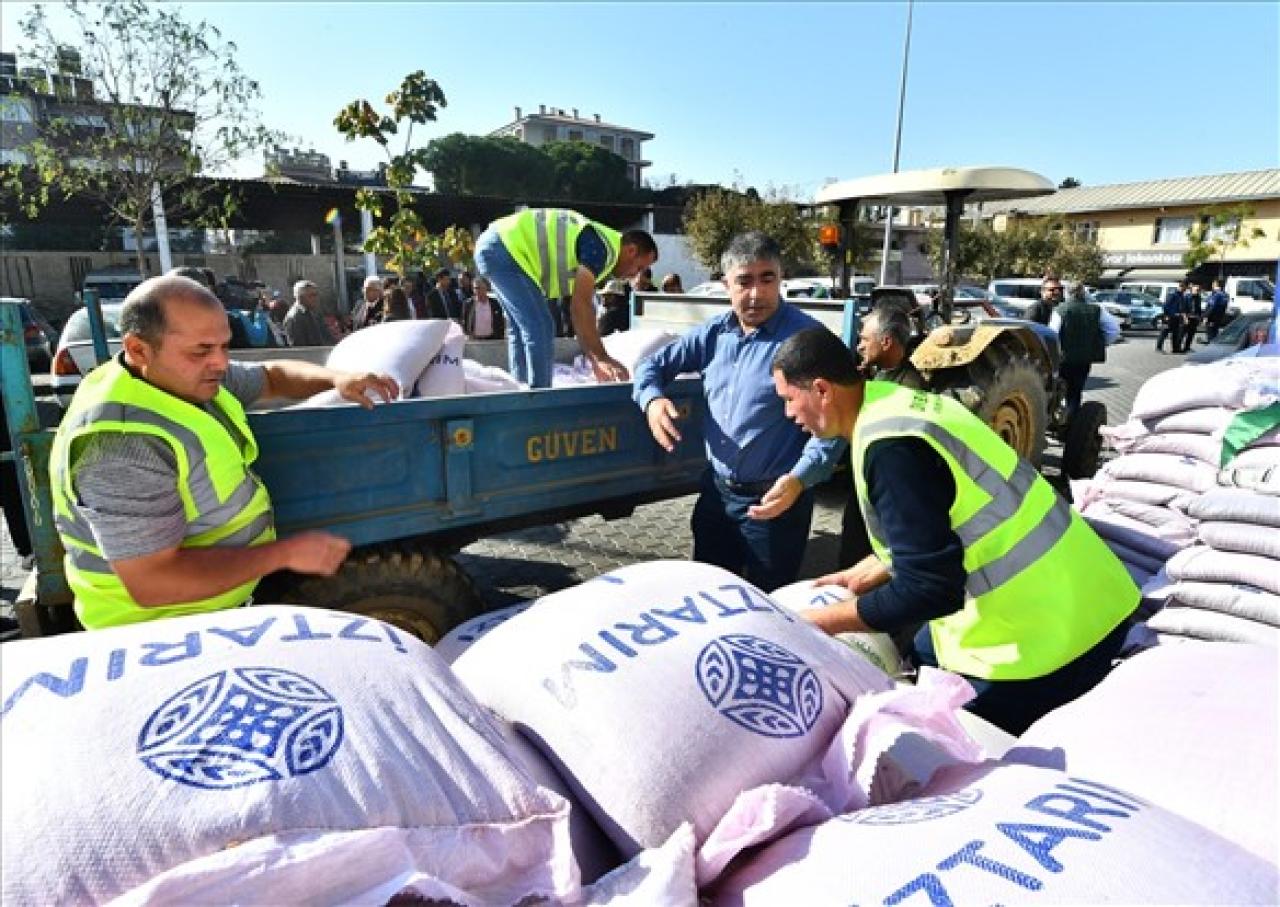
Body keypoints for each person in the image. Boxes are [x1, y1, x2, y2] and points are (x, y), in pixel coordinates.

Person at [770, 326, 1137, 734]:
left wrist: (817, 623)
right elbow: (956, 512)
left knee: (949, 745)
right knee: (925, 650)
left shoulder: (890, 451)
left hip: (1046, 644)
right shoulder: (893, 404)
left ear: (821, 390)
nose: (788, 414)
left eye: (789, 399)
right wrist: (877, 565)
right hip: (1090, 593)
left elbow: (930, 589)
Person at [48, 275, 399, 631]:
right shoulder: (123, 445)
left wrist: (335, 379)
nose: (219, 363)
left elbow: (272, 376)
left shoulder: (181, 376)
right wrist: (284, 554)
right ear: (138, 349)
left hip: (212, 608)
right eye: (201, 350)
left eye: (225, 346)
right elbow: (153, 581)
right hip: (161, 628)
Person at [633, 231, 845, 590]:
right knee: (711, 594)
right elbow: (650, 367)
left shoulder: (808, 341)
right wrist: (652, 401)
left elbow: (833, 425)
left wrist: (799, 481)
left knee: (768, 603)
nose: (757, 293)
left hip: (776, 501)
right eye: (744, 281)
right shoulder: (714, 335)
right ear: (725, 284)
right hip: (717, 494)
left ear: (781, 279)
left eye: (768, 279)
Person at [474, 208, 658, 387]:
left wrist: (594, 355)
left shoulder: (601, 249)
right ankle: (539, 399)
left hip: (497, 245)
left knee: (521, 328)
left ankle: (520, 392)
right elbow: (581, 306)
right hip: (505, 248)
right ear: (631, 251)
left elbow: (581, 308)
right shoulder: (601, 249)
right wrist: (601, 357)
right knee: (541, 326)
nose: (635, 275)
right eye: (639, 268)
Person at [1049, 284, 1118, 419]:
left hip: (1064, 359)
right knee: (1075, 392)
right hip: (1084, 359)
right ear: (1084, 293)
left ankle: (1058, 420)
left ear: (1067, 294)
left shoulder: (1061, 310)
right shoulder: (1097, 310)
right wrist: (1101, 344)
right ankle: (1072, 424)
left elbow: (1053, 335)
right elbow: (1113, 330)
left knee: (1057, 390)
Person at [856, 304, 926, 390]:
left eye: (865, 340)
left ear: (886, 343)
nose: (859, 347)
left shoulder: (907, 389)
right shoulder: (882, 370)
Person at [282, 279, 338, 347]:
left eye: (316, 294)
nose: (315, 298)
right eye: (312, 295)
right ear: (300, 297)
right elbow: (298, 347)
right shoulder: (294, 318)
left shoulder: (314, 313)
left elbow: (327, 337)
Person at [1155, 280, 1188, 353]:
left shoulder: (1182, 296)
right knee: (1164, 332)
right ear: (1180, 287)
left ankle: (1175, 349)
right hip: (1170, 317)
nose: (1184, 290)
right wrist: (1167, 315)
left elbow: (1182, 307)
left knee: (1175, 334)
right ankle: (1158, 348)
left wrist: (1182, 315)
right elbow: (1166, 306)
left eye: (1185, 288)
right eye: (1183, 288)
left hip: (1177, 318)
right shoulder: (1173, 295)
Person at [1180, 282, 1203, 352]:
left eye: (1198, 290)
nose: (1197, 291)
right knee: (1182, 333)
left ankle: (1187, 347)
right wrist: (1185, 318)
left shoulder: (1198, 298)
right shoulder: (1186, 297)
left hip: (1194, 318)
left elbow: (1199, 309)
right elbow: (1183, 308)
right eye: (1195, 290)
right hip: (1187, 317)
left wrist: (1199, 318)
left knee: (1191, 334)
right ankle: (1177, 347)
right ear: (1191, 290)